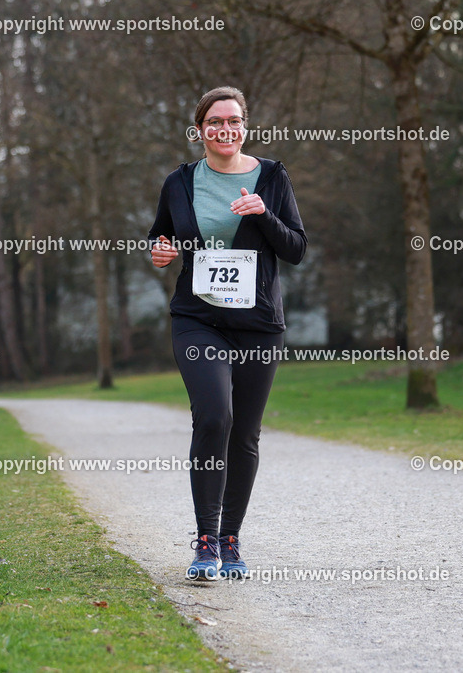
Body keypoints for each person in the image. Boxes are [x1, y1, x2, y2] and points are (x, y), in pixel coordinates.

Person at [148, 86, 307, 580]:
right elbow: (161, 234)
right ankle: (205, 541)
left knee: (244, 433)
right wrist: (159, 251)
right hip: (198, 320)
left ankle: (231, 539)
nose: (225, 129)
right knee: (215, 416)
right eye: (214, 122)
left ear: (245, 126)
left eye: (233, 121)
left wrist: (264, 214)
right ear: (200, 130)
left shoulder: (273, 176)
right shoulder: (179, 182)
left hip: (257, 325)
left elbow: (296, 248)